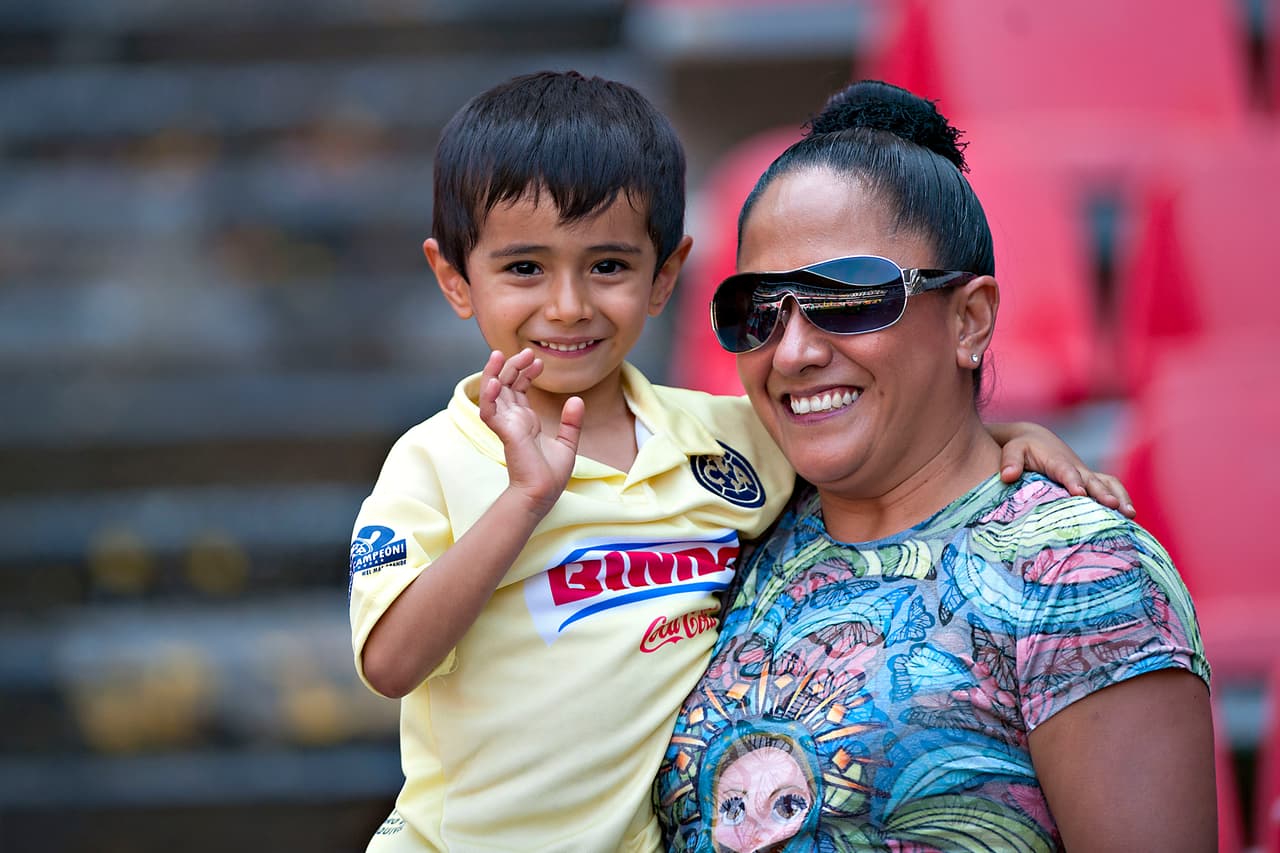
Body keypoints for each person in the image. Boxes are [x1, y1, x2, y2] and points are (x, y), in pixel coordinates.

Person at [348, 71, 1137, 853]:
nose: (567, 304)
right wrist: (523, 500)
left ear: (665, 276)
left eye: (608, 267)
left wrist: (1007, 437)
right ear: (455, 278)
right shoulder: (434, 459)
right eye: (525, 268)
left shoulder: (731, 437)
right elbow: (390, 663)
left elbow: (902, 443)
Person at [653, 80, 1215, 852]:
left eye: (846, 298)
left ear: (970, 319)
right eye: (757, 308)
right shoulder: (730, 531)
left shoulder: (1082, 577)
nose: (792, 351)